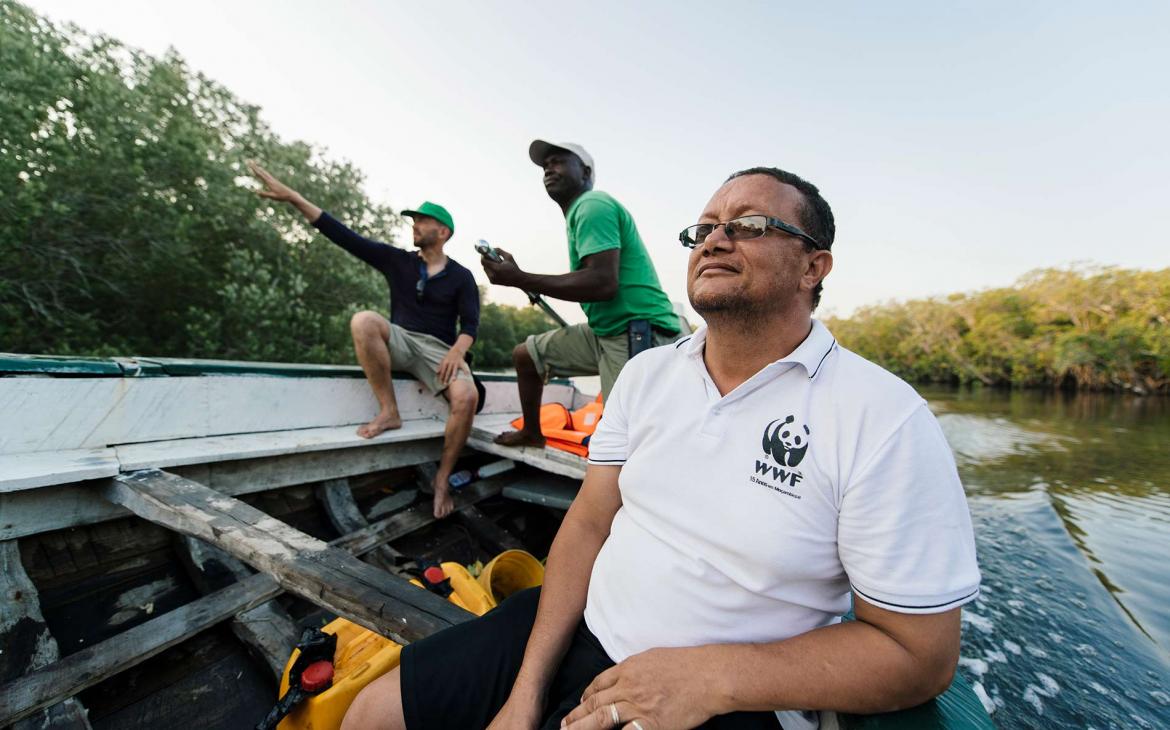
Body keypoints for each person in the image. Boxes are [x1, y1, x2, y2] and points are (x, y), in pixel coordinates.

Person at [340, 165, 981, 730]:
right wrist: (525, 690)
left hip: (736, 694)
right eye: (702, 230)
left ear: (814, 266)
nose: (715, 239)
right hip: (582, 625)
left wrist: (708, 679)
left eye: (750, 224)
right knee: (368, 717)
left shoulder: (883, 417)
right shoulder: (648, 376)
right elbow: (590, 523)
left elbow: (918, 656)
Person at [248, 161, 479, 519]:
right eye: (413, 221)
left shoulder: (462, 276)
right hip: (401, 340)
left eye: (422, 221)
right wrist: (294, 198)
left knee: (466, 396)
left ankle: (442, 480)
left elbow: (471, 325)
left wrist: (458, 351)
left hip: (440, 349)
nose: (414, 226)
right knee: (364, 320)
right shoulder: (397, 260)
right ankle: (389, 411)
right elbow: (341, 234)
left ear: (443, 232)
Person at [483, 141, 681, 448]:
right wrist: (519, 277)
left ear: (586, 172)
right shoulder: (578, 214)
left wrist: (519, 278)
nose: (549, 168)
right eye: (545, 164)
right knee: (526, 356)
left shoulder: (593, 205)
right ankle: (533, 433)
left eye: (559, 161)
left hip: (639, 331)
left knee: (621, 442)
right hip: (606, 330)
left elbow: (602, 283)